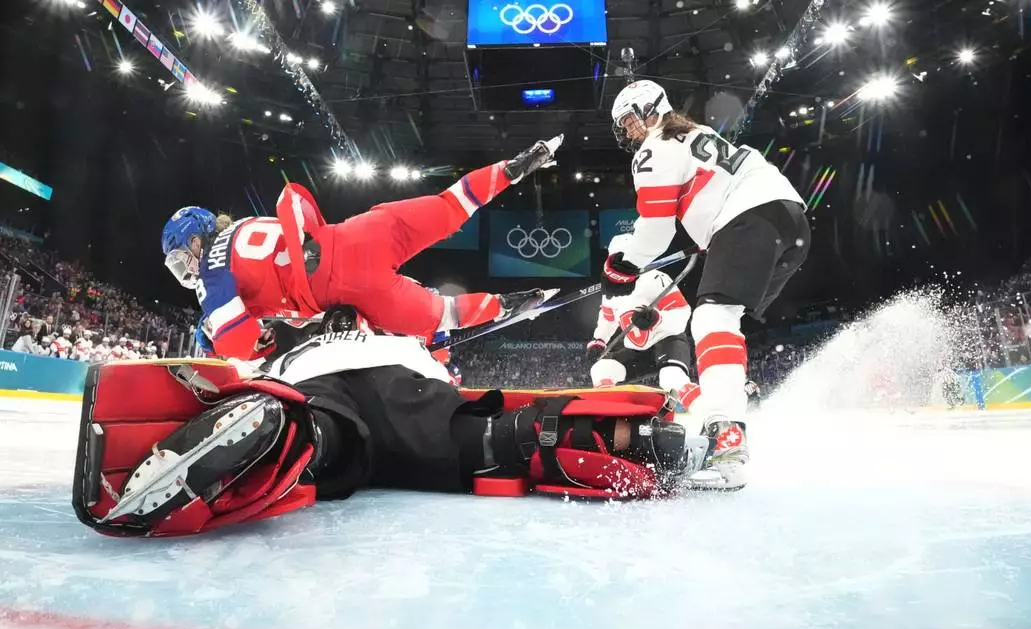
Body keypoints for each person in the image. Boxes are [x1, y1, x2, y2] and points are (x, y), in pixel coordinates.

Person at [70, 316, 710, 539]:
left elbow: (228, 355)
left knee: (321, 441)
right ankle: (649, 444)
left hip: (309, 385)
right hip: (405, 383)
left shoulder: (283, 335)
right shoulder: (395, 325)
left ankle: (273, 434)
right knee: (500, 441)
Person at [161, 135, 564, 361]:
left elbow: (241, 345)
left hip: (344, 285)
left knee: (440, 314)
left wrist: (214, 335)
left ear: (196, 239)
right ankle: (512, 169)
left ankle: (507, 305)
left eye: (183, 257)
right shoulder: (245, 223)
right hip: (356, 232)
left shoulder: (210, 279)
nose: (186, 269)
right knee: (449, 205)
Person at [601, 80, 812, 488]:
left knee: (711, 319)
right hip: (791, 222)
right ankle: (730, 391)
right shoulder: (697, 133)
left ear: (650, 110)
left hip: (750, 219)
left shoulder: (654, 147)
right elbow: (710, 190)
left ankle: (727, 440)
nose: (628, 132)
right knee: (725, 321)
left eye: (629, 120)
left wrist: (623, 265)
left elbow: (655, 230)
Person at [586, 268, 701, 411]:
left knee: (671, 377)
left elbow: (682, 314)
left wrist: (657, 318)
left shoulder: (655, 279)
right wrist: (599, 340)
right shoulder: (611, 291)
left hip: (667, 340)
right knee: (601, 369)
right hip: (637, 349)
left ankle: (709, 415)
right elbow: (607, 319)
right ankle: (608, 414)